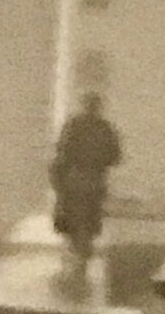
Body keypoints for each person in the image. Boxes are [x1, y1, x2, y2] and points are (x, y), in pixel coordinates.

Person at [48, 91, 122, 281]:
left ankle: (76, 258)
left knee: (77, 220)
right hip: (91, 181)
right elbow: (115, 157)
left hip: (78, 180)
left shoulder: (76, 125)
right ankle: (79, 259)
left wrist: (61, 176)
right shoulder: (104, 128)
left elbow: (62, 151)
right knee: (84, 222)